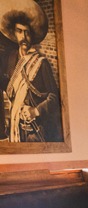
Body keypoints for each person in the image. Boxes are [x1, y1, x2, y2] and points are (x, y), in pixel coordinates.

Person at [0, 2, 63, 143]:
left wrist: (35, 111)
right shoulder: (11, 59)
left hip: (35, 130)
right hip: (15, 127)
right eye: (19, 31)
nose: (24, 36)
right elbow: (9, 87)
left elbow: (54, 97)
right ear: (14, 33)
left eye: (27, 32)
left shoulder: (42, 63)